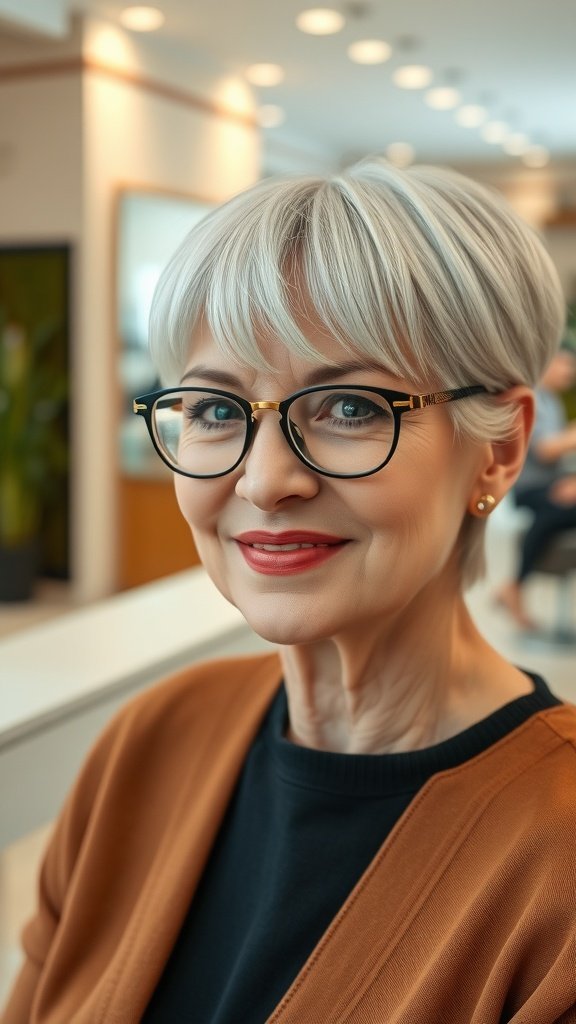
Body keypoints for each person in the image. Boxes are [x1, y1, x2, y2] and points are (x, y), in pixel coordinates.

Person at [4, 159, 576, 1024]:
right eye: (215, 409)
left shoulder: (555, 860)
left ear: (498, 451)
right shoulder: (149, 742)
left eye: (349, 407)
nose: (266, 482)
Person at [496, 346, 576, 628]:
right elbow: (545, 451)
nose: (570, 372)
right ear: (548, 365)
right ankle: (515, 585)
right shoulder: (533, 401)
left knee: (556, 509)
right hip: (530, 488)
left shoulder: (552, 402)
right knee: (557, 509)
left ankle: (514, 585)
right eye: (566, 365)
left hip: (550, 483)